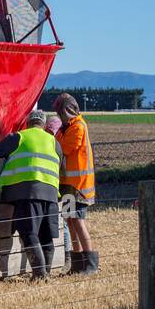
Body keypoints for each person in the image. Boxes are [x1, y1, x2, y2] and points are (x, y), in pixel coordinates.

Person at [0, 109, 65, 278]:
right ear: (43, 125)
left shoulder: (19, 137)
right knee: (46, 236)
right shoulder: (54, 142)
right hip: (51, 193)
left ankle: (39, 274)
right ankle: (46, 274)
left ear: (28, 123)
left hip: (27, 192)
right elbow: (62, 165)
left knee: (29, 233)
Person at [52, 93, 97, 274]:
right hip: (68, 185)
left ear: (66, 111)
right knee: (70, 221)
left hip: (79, 186)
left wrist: (58, 137)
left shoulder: (78, 127)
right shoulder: (67, 128)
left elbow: (64, 149)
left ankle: (90, 264)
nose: (58, 117)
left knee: (78, 221)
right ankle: (77, 264)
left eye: (60, 113)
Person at [43, 112, 74, 260]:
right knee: (65, 221)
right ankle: (67, 255)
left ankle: (67, 255)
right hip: (62, 187)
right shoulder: (59, 143)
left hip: (66, 188)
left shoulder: (57, 145)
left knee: (67, 221)